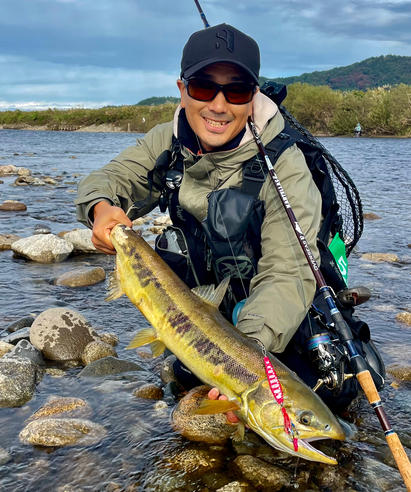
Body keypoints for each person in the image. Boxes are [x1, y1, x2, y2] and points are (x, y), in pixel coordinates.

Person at [75, 23, 384, 417]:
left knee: (332, 390)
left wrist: (241, 361)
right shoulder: (166, 141)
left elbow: (288, 273)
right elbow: (107, 180)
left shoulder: (285, 164)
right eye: (204, 87)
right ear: (182, 88)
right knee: (188, 376)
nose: (219, 106)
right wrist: (101, 208)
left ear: (252, 96)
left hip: (275, 303)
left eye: (235, 90)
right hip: (206, 309)